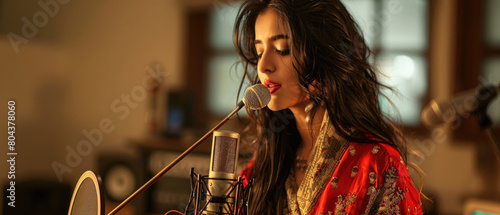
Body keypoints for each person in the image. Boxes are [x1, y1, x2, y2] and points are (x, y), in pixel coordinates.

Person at [233, 0, 424, 214]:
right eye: (259, 52)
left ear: (323, 55)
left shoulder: (378, 164)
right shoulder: (261, 169)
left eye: (282, 49)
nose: (263, 65)